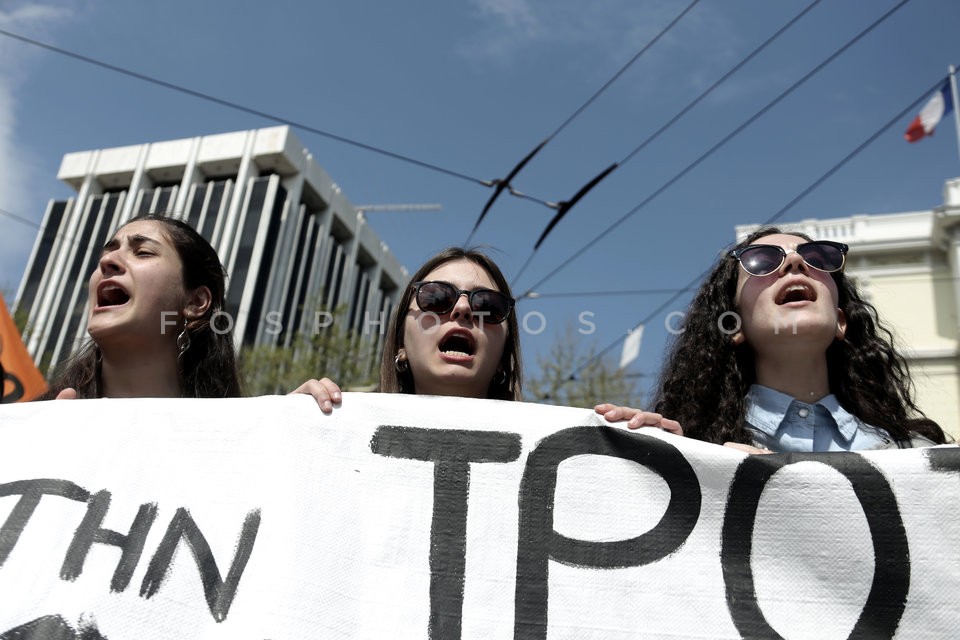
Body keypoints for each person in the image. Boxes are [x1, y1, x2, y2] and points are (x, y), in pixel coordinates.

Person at [599, 227, 947, 452]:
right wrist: (666, 466)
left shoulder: (918, 455)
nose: (795, 262)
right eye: (761, 262)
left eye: (819, 258)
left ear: (841, 322)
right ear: (734, 326)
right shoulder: (692, 452)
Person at [43, 214, 336, 409]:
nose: (109, 261)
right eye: (106, 254)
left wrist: (292, 427)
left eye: (143, 252)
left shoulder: (238, 441)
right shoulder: (28, 425)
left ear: (195, 303)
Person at [308, 246, 522, 406]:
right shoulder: (334, 423)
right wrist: (284, 423)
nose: (463, 307)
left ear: (504, 357)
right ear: (401, 345)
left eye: (488, 305)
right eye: (436, 298)